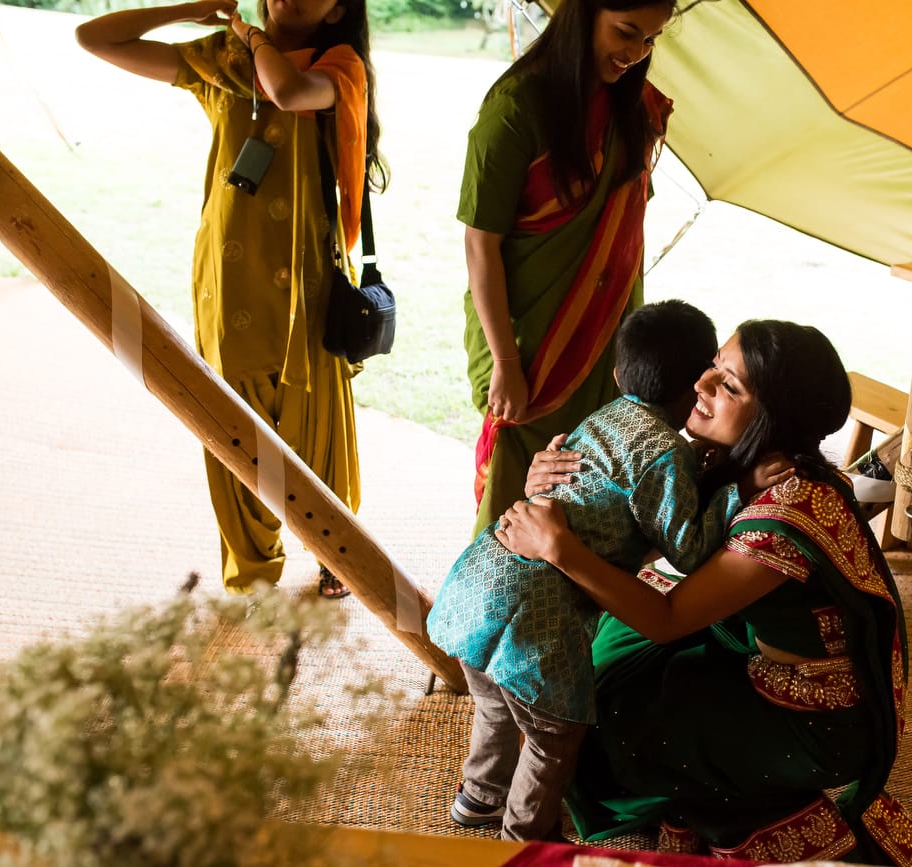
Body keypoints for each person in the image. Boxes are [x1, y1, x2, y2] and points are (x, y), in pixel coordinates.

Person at [497, 320, 912, 865]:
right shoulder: (739, 463)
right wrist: (558, 482)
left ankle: (777, 812)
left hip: (813, 717)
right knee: (607, 653)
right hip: (750, 653)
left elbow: (667, 618)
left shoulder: (785, 509)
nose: (700, 385)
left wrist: (560, 547)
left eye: (728, 386)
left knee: (615, 720)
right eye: (713, 367)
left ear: (772, 415)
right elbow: (639, 520)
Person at [75, 0, 385, 598]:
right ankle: (253, 570)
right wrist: (198, 9)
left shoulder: (339, 67)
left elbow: (289, 92)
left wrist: (247, 31)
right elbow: (95, 38)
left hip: (306, 276)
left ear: (338, 8)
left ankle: (336, 551)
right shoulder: (223, 62)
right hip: (228, 269)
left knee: (313, 417)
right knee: (230, 419)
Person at [427, 300, 740, 842]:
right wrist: (730, 493)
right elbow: (688, 552)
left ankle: (478, 798)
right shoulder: (666, 453)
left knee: (496, 704)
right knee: (554, 735)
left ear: (618, 374)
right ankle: (524, 840)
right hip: (535, 610)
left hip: (479, 578)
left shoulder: (602, 418)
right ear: (697, 385)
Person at [460, 0, 676, 537]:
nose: (635, 54)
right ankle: (491, 609)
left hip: (607, 333)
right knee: (517, 493)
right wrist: (507, 361)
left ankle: (575, 606)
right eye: (626, 32)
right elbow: (479, 245)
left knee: (590, 483)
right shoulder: (516, 110)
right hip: (530, 338)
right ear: (582, 13)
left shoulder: (633, 109)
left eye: (650, 40)